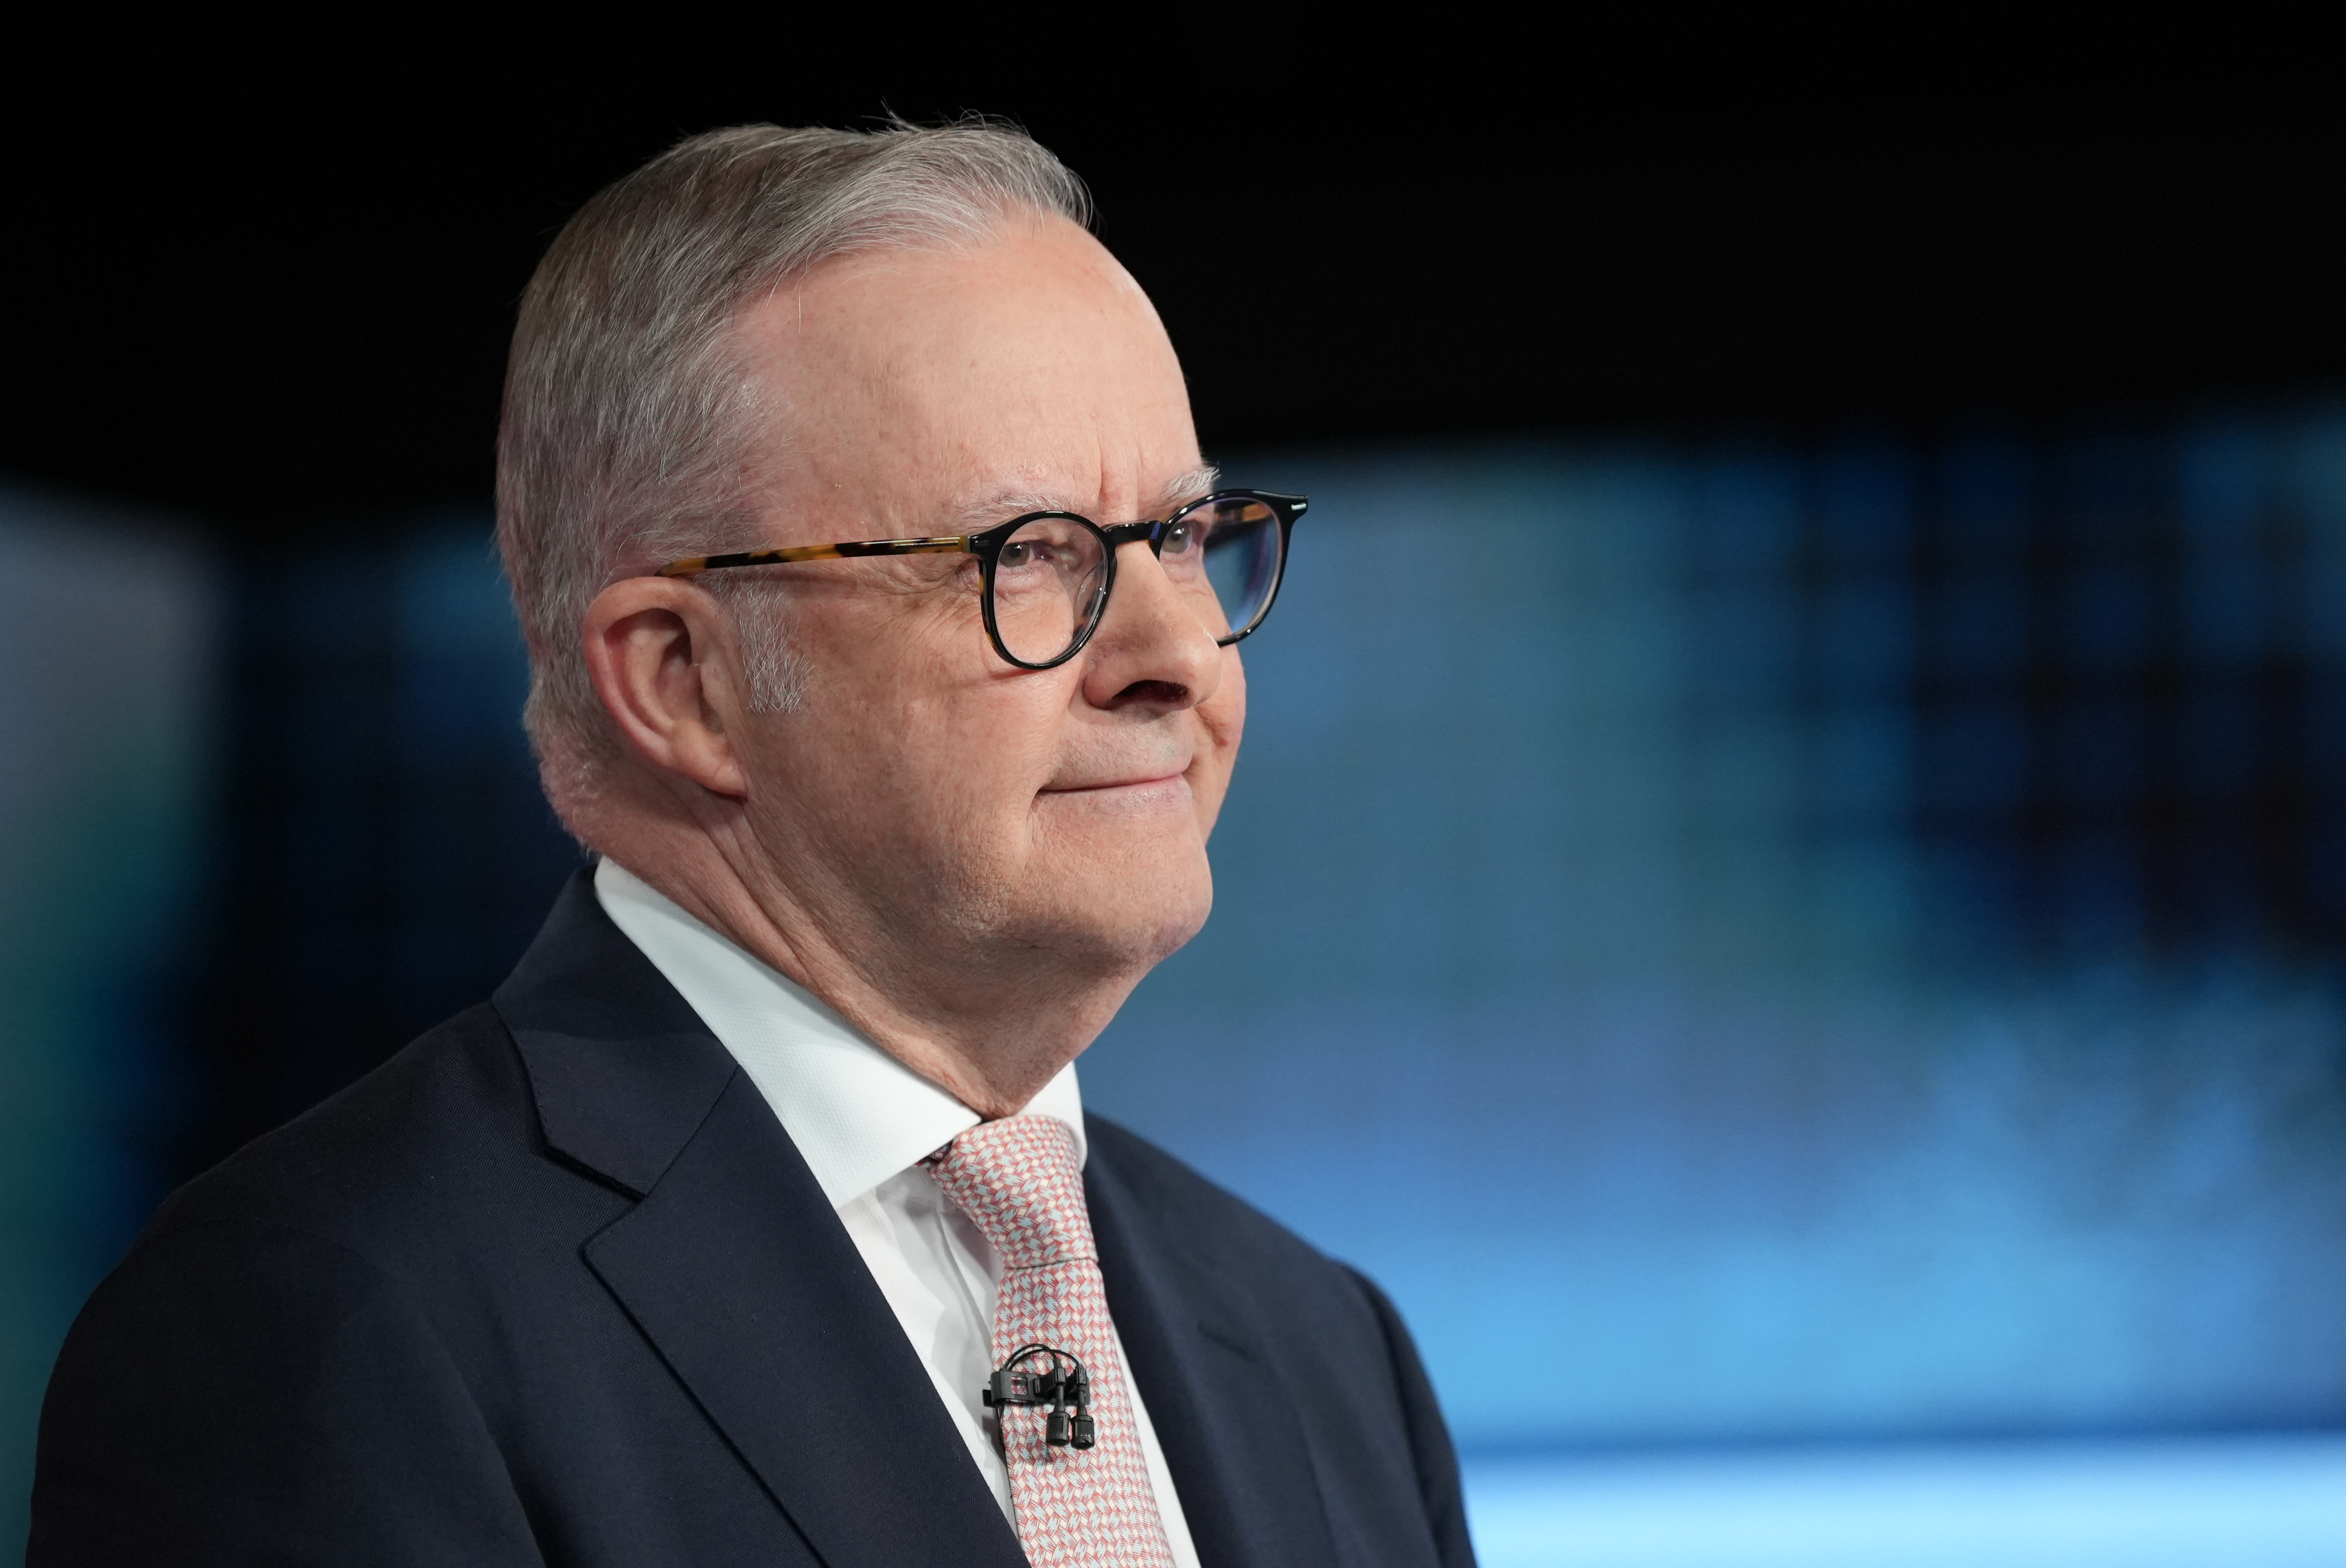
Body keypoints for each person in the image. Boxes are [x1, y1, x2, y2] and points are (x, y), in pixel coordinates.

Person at [29, 121, 1474, 1568]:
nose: (1178, 655)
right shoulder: (317, 1326)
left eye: (1181, 535)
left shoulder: (1324, 1352)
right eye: (1029, 554)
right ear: (681, 683)